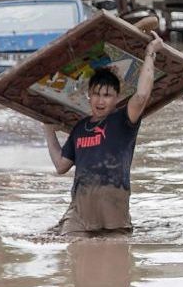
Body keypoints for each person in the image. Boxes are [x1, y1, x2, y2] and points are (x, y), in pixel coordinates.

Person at [42, 33, 164, 236]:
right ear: (89, 95)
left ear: (116, 98)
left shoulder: (123, 121)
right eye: (96, 94)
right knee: (72, 250)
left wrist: (150, 52)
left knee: (114, 257)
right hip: (80, 210)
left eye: (107, 95)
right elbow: (61, 166)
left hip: (113, 209)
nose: (100, 100)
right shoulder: (80, 128)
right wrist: (48, 130)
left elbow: (142, 96)